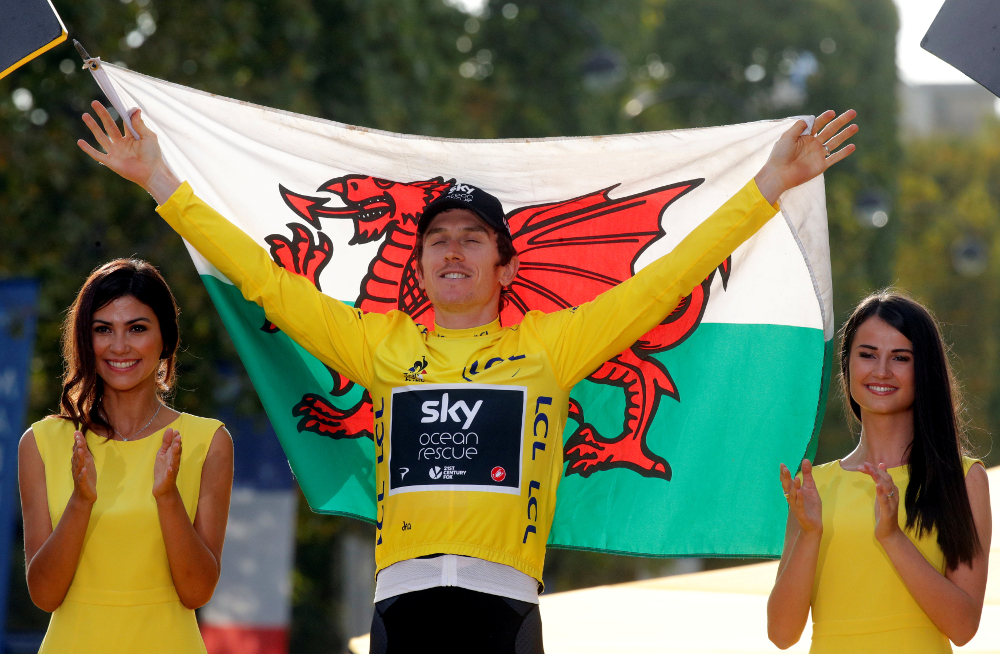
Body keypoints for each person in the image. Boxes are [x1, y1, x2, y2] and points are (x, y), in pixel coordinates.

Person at [78, 101, 857, 653]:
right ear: (417, 264)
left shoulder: (553, 347)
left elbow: (666, 281)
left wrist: (767, 187)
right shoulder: (380, 347)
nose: (453, 251)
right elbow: (264, 280)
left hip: (506, 608)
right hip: (399, 608)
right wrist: (161, 185)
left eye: (473, 239)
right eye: (439, 239)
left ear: (505, 264)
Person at [18, 259, 234, 654]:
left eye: (137, 328)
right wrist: (81, 502)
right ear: (87, 339)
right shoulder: (42, 442)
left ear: (165, 338)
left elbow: (197, 591)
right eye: (103, 329)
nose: (119, 346)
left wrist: (168, 497)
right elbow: (45, 595)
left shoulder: (208, 441)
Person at [767, 291, 992, 652]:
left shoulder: (964, 479)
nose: (881, 371)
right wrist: (810, 534)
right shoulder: (814, 487)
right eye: (867, 355)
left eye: (900, 358)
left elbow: (963, 627)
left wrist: (892, 537)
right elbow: (781, 634)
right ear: (847, 364)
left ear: (925, 370)